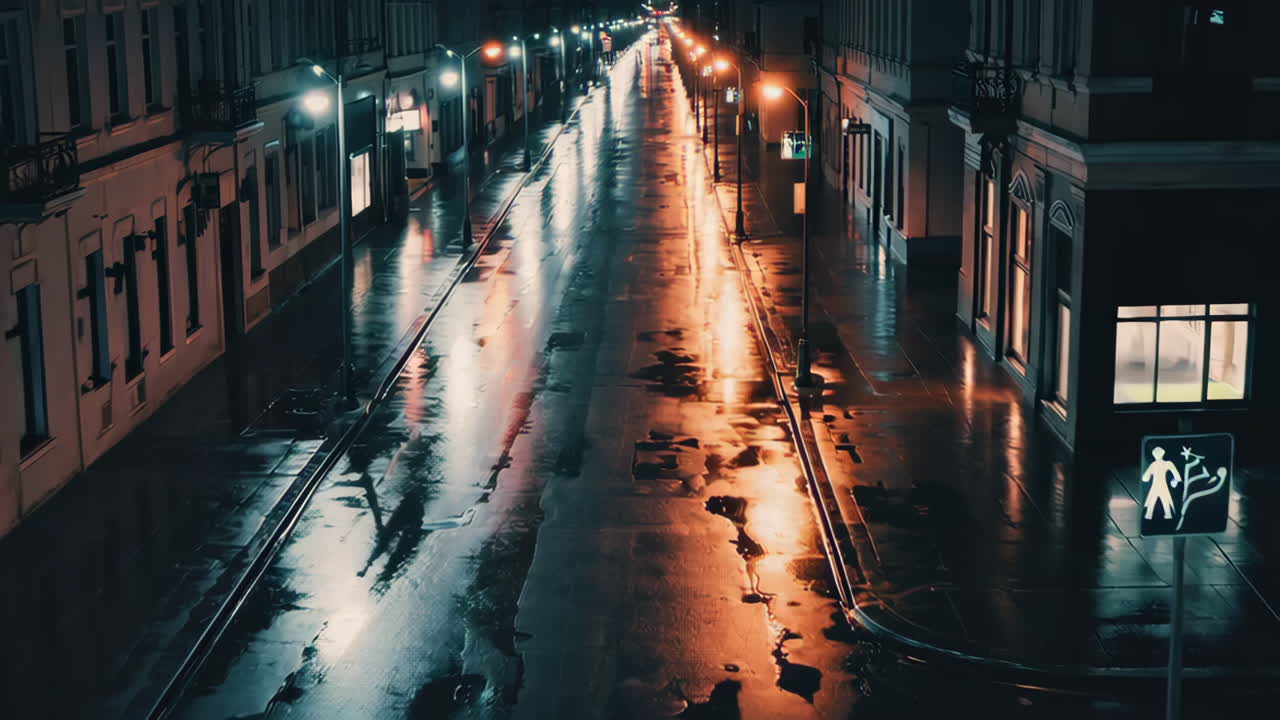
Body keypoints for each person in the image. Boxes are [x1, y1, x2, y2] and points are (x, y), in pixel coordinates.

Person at [1142, 446, 1181, 520]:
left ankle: (1149, 515)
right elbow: (1145, 478)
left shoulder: (1155, 464)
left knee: (1157, 501)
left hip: (1158, 486)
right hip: (1160, 486)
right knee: (1162, 500)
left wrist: (1175, 480)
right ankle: (1152, 515)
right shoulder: (1164, 464)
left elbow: (1145, 478)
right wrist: (1176, 480)